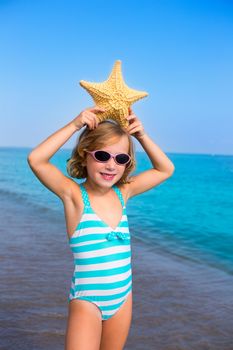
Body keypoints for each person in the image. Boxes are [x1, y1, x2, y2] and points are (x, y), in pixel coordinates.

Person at [27, 105, 175, 350]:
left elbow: (165, 169)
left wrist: (141, 136)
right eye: (102, 156)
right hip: (88, 302)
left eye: (121, 158)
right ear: (85, 154)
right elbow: (36, 159)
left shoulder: (123, 193)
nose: (111, 165)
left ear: (127, 163)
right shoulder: (73, 195)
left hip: (123, 297)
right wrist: (75, 125)